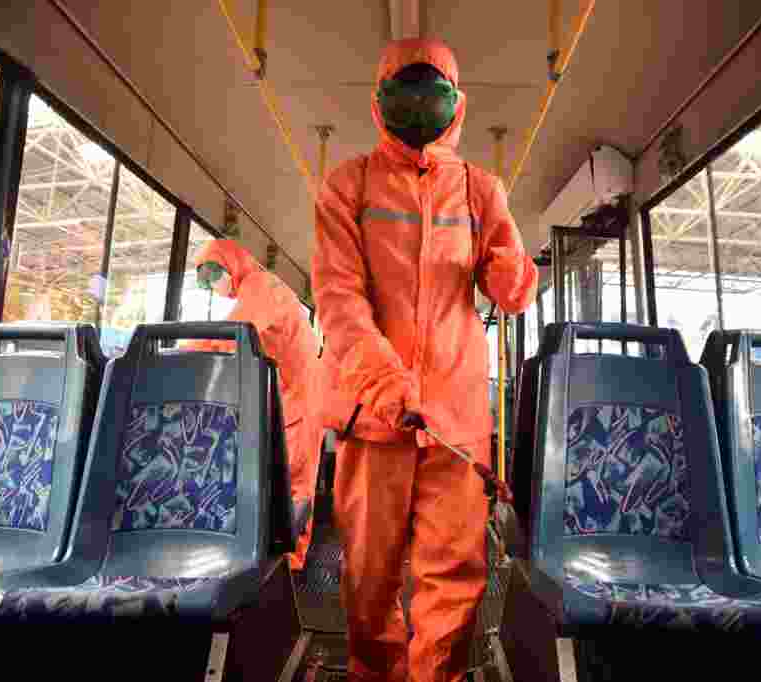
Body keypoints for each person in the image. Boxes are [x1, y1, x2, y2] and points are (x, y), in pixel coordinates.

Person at [312, 38, 538, 682]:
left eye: (432, 88)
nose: (418, 103)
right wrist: (388, 384)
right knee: (369, 574)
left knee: (454, 576)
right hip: (372, 413)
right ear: (380, 104)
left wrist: (509, 272)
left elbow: (514, 291)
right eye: (404, 89)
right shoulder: (347, 186)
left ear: (456, 103)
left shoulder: (479, 189)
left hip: (455, 421)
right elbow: (338, 299)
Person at [185, 240, 322, 572]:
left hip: (302, 394)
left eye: (214, 275)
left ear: (233, 265)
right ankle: (283, 554)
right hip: (291, 392)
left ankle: (292, 563)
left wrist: (183, 352)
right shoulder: (254, 290)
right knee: (286, 473)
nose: (211, 285)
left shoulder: (261, 286)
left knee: (296, 477)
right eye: (204, 280)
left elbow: (235, 332)